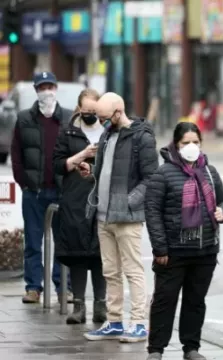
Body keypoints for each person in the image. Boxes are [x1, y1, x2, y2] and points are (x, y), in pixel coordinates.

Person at [144, 122, 223, 360]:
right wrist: (160, 247)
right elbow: (152, 212)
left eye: (195, 142)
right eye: (186, 143)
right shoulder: (163, 174)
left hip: (205, 250)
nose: (191, 147)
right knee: (165, 300)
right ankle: (156, 350)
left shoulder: (210, 172)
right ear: (176, 144)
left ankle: (191, 348)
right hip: (173, 251)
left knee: (195, 301)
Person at [78, 92, 158, 342]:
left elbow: (151, 179)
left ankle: (138, 323)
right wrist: (91, 171)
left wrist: (127, 202)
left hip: (127, 218)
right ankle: (114, 321)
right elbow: (108, 171)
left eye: (104, 117)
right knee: (110, 271)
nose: (100, 122)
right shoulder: (107, 134)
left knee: (133, 271)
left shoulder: (142, 137)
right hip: (104, 216)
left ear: (118, 112)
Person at [11, 71, 73, 304]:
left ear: (56, 89)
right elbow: (16, 154)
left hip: (60, 191)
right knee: (33, 241)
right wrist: (24, 182)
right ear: (36, 90)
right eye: (42, 87)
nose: (47, 91)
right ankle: (33, 287)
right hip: (34, 192)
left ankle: (62, 286)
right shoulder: (25, 118)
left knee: (61, 242)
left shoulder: (67, 118)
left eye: (50, 86)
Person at [52, 88, 107, 324]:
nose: (90, 115)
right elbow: (56, 165)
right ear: (79, 109)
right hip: (75, 198)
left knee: (101, 255)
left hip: (102, 198)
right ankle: (79, 307)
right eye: (85, 111)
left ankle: (101, 306)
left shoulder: (109, 131)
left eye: (94, 111)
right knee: (77, 254)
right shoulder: (68, 131)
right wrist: (82, 155)